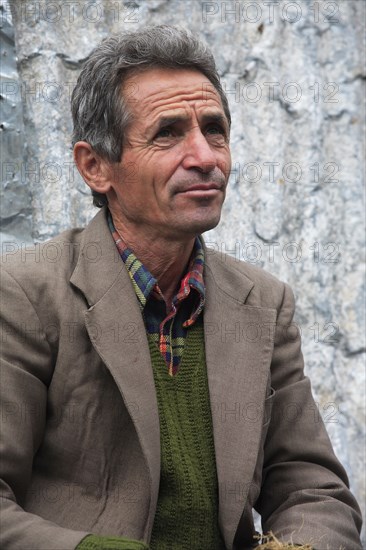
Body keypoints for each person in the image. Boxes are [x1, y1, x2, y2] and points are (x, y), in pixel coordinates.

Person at [0, 25, 362, 550]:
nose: (205, 157)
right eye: (168, 133)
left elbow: (312, 488)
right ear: (95, 167)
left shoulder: (262, 302)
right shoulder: (25, 295)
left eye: (214, 130)